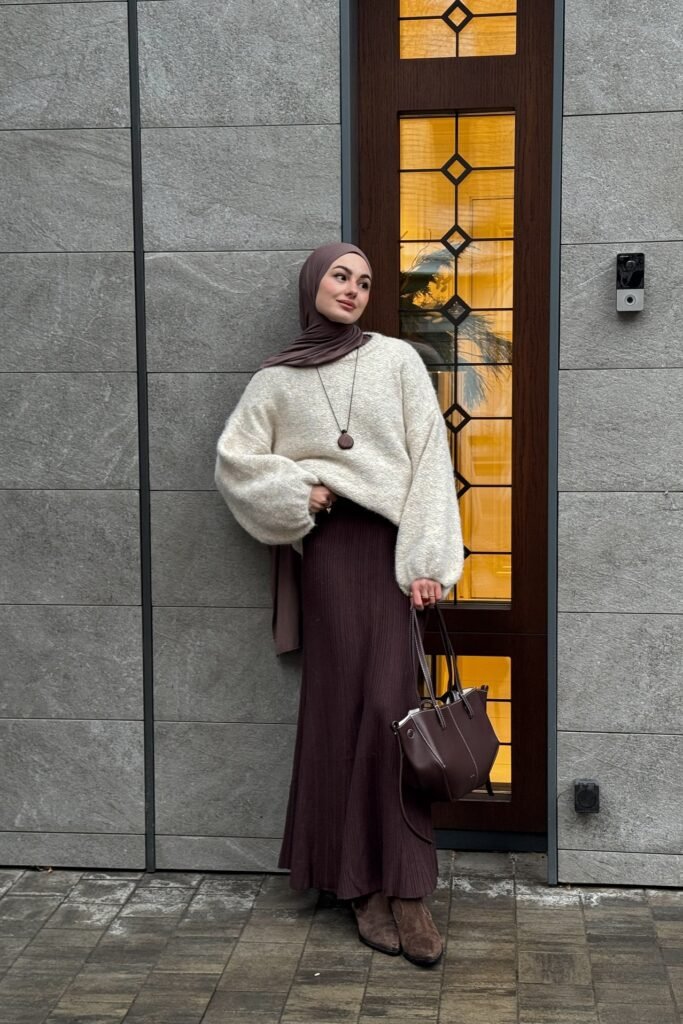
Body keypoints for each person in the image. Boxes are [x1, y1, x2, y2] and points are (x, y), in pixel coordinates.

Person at [214, 241, 464, 967]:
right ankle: (359, 888)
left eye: (363, 281)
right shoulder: (276, 378)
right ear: (312, 284)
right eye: (339, 276)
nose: (352, 289)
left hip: (390, 556)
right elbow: (235, 461)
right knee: (337, 710)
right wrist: (301, 491)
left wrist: (424, 561)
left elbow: (427, 459)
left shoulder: (394, 360)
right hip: (327, 555)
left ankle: (407, 888)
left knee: (392, 710)